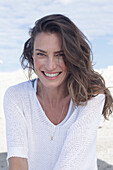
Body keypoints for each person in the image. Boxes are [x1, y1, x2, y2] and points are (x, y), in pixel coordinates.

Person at [4, 14, 113, 170]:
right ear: (32, 55)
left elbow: (70, 162)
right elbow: (17, 160)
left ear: (73, 56)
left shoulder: (92, 95)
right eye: (41, 54)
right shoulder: (16, 96)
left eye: (60, 55)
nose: (50, 66)